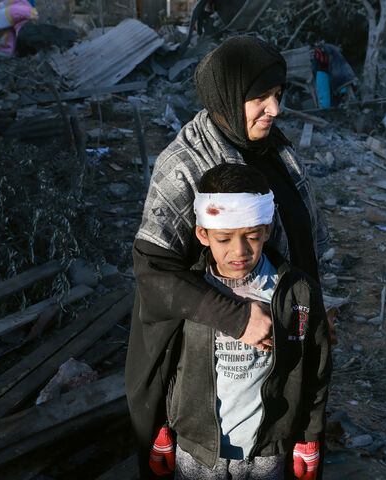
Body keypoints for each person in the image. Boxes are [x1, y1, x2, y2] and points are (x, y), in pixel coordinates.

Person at [125, 35, 330, 479]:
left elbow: (300, 235)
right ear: (227, 97)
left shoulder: (274, 148)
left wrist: (314, 308)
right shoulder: (185, 166)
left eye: (278, 96)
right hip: (203, 383)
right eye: (260, 98)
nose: (274, 110)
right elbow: (153, 273)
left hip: (273, 376)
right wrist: (238, 318)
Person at [151, 163, 331, 480]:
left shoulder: (296, 292)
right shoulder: (189, 292)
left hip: (266, 449)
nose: (239, 251)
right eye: (224, 239)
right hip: (198, 448)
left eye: (251, 236)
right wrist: (162, 426)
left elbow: (315, 366)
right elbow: (166, 361)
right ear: (203, 234)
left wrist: (309, 435)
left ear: (266, 230)